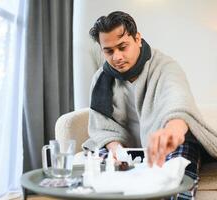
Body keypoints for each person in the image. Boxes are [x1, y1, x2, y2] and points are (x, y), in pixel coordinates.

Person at [82, 11, 205, 199]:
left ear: (137, 39)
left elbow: (178, 101)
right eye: (109, 51)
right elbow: (102, 128)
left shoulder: (165, 66)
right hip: (123, 147)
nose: (117, 57)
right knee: (98, 178)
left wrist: (171, 131)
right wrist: (116, 150)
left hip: (167, 141)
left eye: (122, 47)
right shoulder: (100, 79)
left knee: (176, 183)